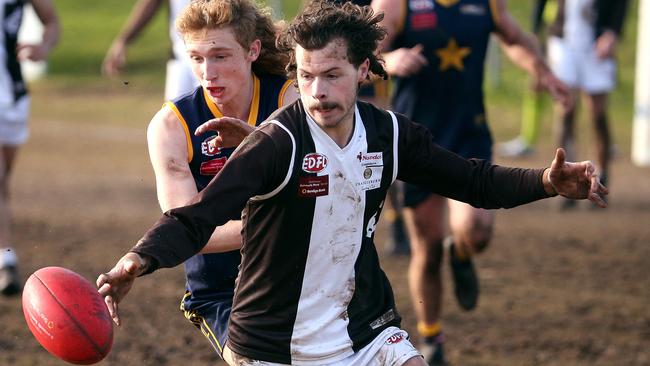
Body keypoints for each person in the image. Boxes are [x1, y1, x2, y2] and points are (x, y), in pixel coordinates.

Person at [97, 1, 607, 365]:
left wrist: (545, 181)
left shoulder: (387, 133)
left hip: (364, 323)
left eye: (333, 75)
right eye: (306, 77)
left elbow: (472, 180)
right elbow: (194, 218)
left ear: (364, 70)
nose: (318, 92)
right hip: (273, 339)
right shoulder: (276, 143)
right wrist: (137, 260)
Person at [370, 0, 571, 363]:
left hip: (468, 134)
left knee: (477, 230)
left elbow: (514, 39)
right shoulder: (397, 4)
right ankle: (432, 337)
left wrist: (542, 71)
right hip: (416, 139)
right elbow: (360, 55)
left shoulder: (487, 3)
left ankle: (460, 252)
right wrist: (388, 62)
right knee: (427, 249)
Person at [140, 0, 297, 358]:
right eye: (196, 58)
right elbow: (185, 228)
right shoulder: (171, 126)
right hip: (222, 292)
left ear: (252, 50)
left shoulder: (288, 100)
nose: (207, 72)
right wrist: (268, 224)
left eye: (221, 56)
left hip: (299, 278)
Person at [544, 0, 628, 208]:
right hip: (564, 40)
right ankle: (565, 179)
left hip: (596, 39)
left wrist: (613, 32)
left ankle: (601, 180)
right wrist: (535, 32)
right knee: (566, 109)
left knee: (597, 114)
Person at [0, 0, 59, 296]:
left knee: (3, 182)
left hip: (12, 94)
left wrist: (43, 47)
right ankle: (5, 260)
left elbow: (51, 22)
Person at [102, 0, 199, 100]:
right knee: (173, 112)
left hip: (211, 58)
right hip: (180, 58)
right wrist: (123, 40)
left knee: (210, 111)